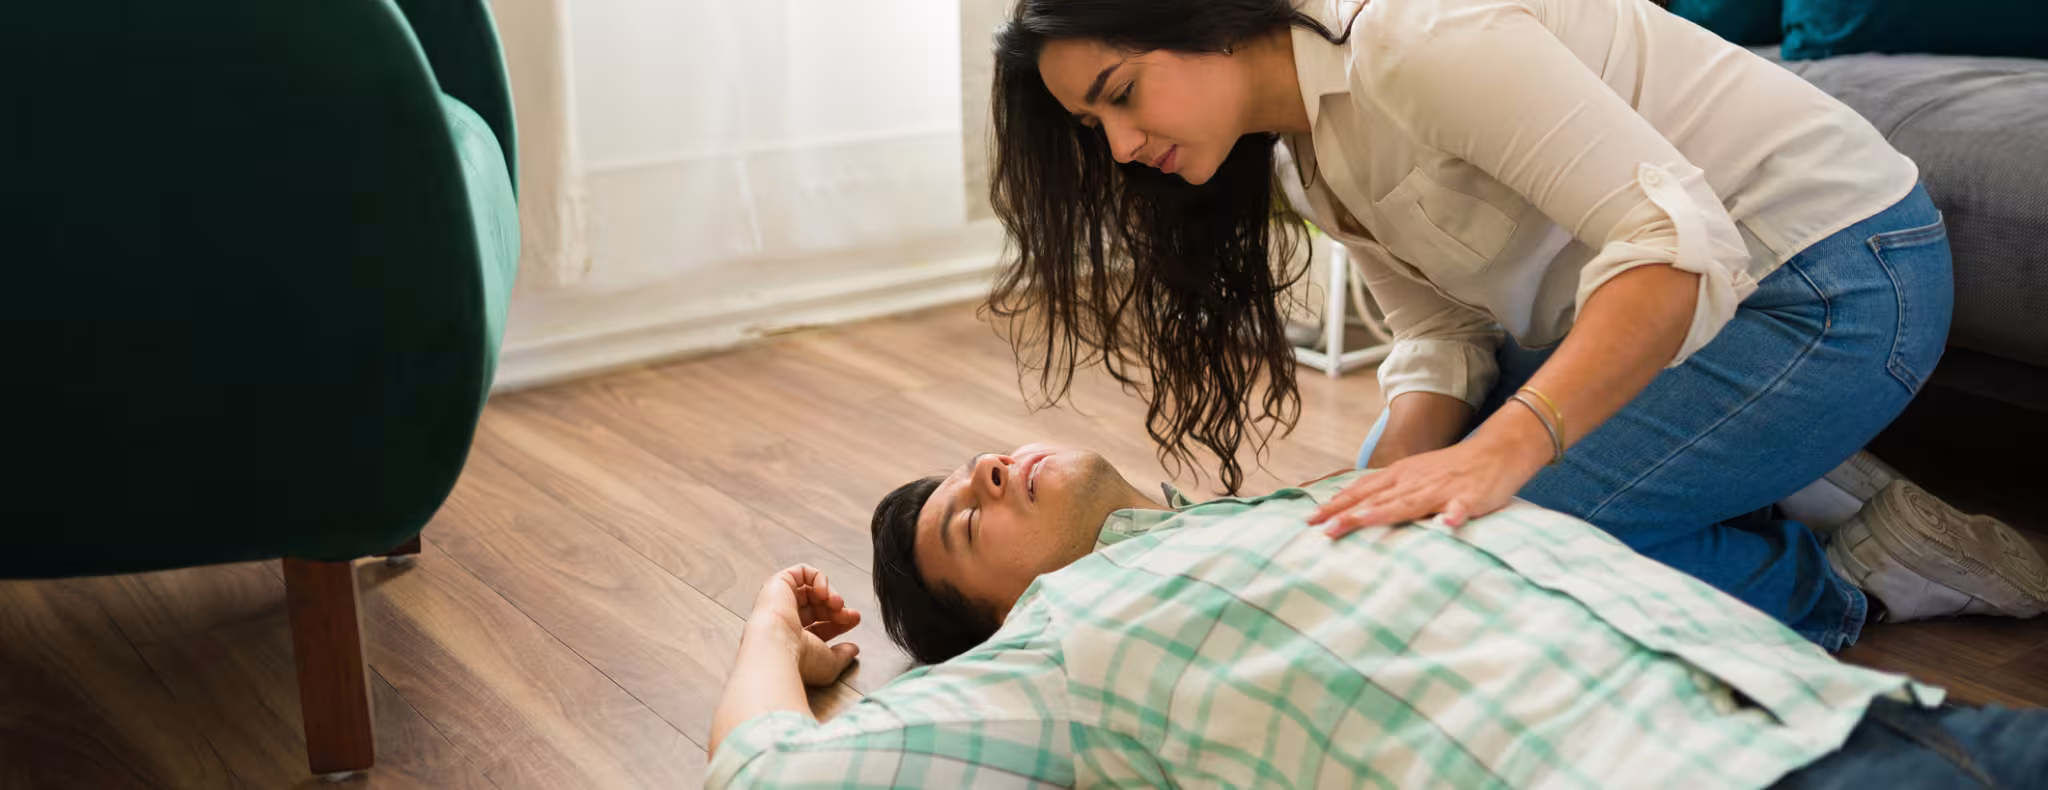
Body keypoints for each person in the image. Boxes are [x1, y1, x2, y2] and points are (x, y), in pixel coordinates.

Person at [980, 0, 2048, 651]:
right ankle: (1770, 468)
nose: (1117, 149)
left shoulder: (1415, 38)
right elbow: (1442, 326)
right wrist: (1387, 474)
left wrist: (1500, 453)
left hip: (1837, 280)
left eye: (1120, 94)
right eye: (1092, 127)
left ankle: (1858, 580)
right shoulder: (1310, 161)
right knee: (1383, 538)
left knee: (1481, 557)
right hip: (1708, 307)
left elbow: (1673, 242)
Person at [706, 446, 2047, 788]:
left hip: (1896, 717)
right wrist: (776, 627)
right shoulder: (1062, 646)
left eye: (977, 461)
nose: (989, 472)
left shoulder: (1317, 499)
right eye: (965, 521)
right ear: (994, 613)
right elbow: (773, 773)